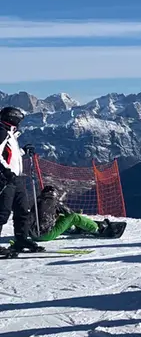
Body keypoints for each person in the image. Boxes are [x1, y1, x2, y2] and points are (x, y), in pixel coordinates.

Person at [0, 106, 42, 256]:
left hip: (16, 178)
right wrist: (5, 171)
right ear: (12, 118)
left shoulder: (10, 133)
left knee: (23, 209)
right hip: (5, 178)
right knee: (2, 212)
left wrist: (23, 151)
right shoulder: (2, 132)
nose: (20, 122)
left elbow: (10, 154)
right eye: (19, 119)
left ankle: (21, 239)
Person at [31, 186, 113, 241]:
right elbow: (70, 213)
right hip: (46, 235)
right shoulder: (54, 202)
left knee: (60, 217)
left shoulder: (37, 203)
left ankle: (70, 228)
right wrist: (77, 213)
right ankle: (97, 229)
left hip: (34, 235)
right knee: (73, 217)